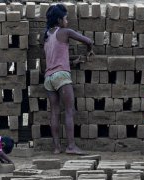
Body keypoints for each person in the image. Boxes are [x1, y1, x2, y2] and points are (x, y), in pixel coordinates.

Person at [42, 4, 93, 155]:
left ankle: (57, 147)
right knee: (70, 111)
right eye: (65, 18)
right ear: (59, 20)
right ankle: (71, 146)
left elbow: (49, 60)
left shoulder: (45, 36)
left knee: (55, 113)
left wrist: (71, 62)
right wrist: (89, 51)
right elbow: (89, 41)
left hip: (48, 78)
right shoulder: (65, 32)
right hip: (62, 76)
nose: (67, 21)